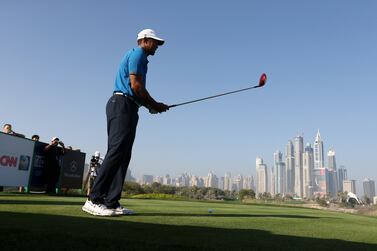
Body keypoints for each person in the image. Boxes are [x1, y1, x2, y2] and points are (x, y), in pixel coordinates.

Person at [82, 29, 169, 216]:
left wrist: (150, 107)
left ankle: (111, 202)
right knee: (116, 151)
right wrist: (156, 104)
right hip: (121, 104)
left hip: (130, 106)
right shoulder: (137, 53)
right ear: (144, 40)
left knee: (123, 155)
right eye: (155, 42)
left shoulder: (142, 58)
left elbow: (136, 90)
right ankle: (93, 199)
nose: (157, 46)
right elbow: (136, 85)